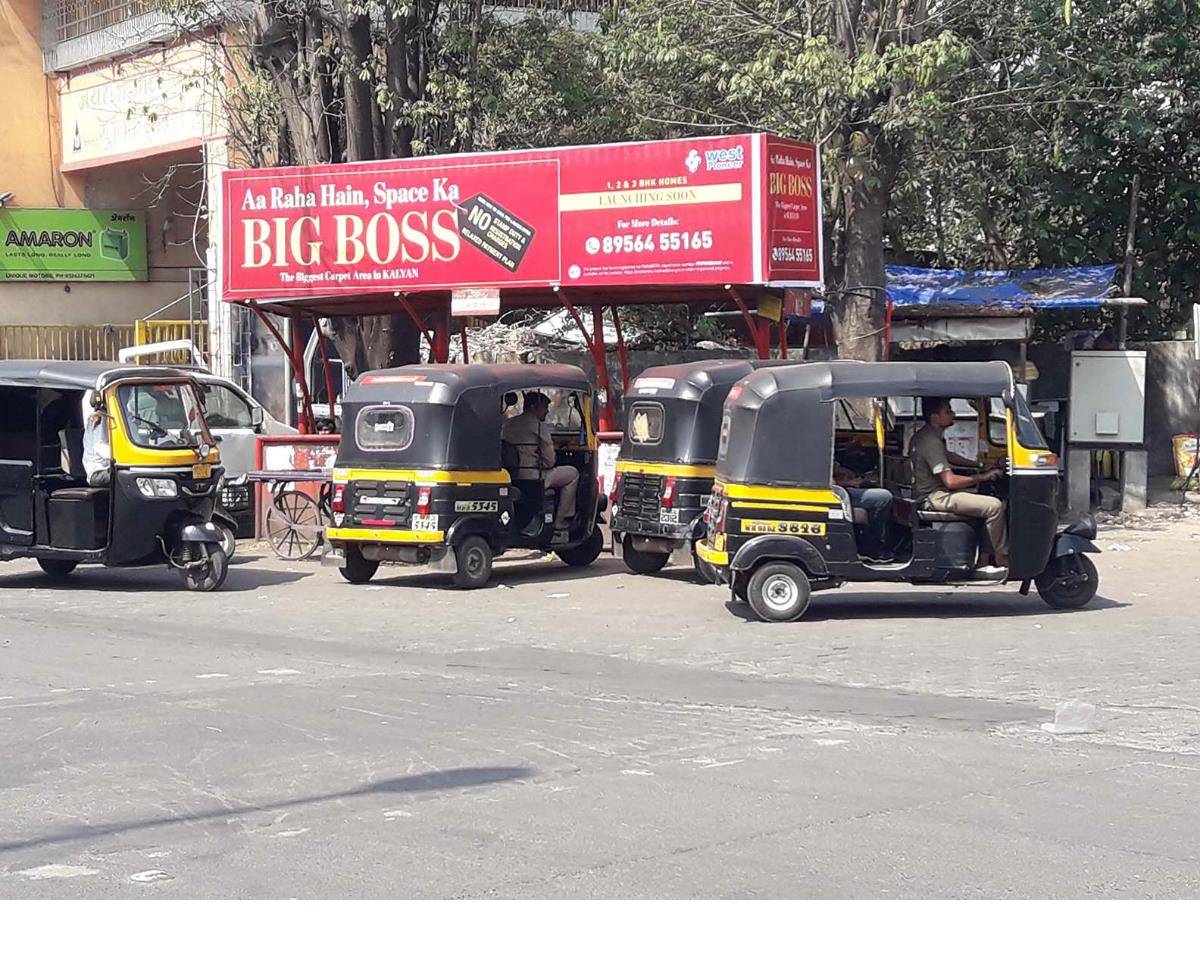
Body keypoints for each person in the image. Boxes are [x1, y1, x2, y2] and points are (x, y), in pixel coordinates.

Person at [910, 397, 1007, 569]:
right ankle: (1002, 556)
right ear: (935, 418)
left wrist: (980, 465)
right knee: (995, 506)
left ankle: (984, 559)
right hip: (934, 497)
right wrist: (983, 477)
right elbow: (951, 482)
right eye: (947, 411)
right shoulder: (931, 442)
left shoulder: (928, 436)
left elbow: (948, 456)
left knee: (985, 499)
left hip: (934, 493)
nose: (953, 414)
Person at [501, 391, 579, 530]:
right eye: (544, 407)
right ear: (533, 407)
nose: (547, 412)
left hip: (510, 476)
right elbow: (550, 461)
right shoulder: (538, 426)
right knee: (573, 474)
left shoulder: (508, 423)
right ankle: (560, 521)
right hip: (533, 477)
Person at [833, 463, 894, 560]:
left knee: (870, 486)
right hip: (836, 493)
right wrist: (850, 483)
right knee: (884, 497)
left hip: (839, 487)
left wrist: (844, 472)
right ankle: (871, 545)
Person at [81, 390, 112, 488]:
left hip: (109, 468)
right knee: (123, 477)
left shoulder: (111, 417)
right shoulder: (99, 418)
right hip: (97, 472)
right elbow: (100, 447)